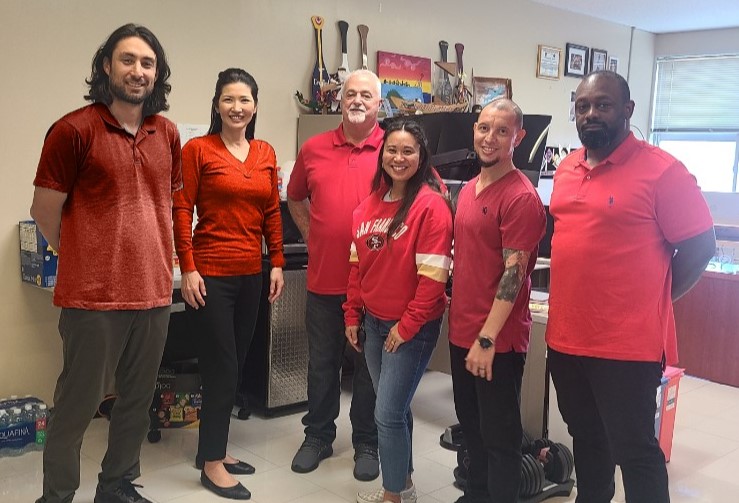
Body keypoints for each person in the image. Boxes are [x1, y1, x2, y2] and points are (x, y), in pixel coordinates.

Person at [545, 70, 716, 503]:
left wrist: (654, 297)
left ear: (627, 109)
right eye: (582, 106)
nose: (590, 114)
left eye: (602, 105)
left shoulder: (663, 172)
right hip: (566, 339)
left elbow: (700, 246)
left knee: (634, 449)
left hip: (626, 346)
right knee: (586, 436)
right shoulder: (566, 168)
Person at [30, 24, 181, 503]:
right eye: (127, 60)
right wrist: (86, 257)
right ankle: (57, 496)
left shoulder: (166, 132)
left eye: (148, 63)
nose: (138, 71)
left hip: (154, 293)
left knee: (136, 402)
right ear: (106, 66)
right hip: (93, 299)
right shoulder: (73, 130)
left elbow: (169, 203)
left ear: (157, 74)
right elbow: (44, 211)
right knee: (77, 407)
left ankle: (116, 486)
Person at [173, 68, 285, 500]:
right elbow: (181, 208)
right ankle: (212, 464)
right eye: (228, 99)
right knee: (221, 367)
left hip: (250, 274)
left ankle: (213, 449)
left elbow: (272, 212)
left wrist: (276, 262)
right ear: (217, 105)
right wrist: (188, 268)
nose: (237, 108)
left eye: (244, 100)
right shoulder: (198, 150)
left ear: (254, 106)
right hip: (210, 276)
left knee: (235, 364)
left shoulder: (265, 152)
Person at [344, 118, 453, 503]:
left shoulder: (431, 206)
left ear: (421, 157)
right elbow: (357, 266)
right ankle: (403, 485)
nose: (399, 157)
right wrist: (352, 314)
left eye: (408, 151)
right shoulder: (367, 207)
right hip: (374, 323)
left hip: (412, 328)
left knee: (386, 413)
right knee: (396, 407)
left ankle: (393, 496)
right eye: (392, 149)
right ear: (382, 154)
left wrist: (405, 327)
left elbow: (433, 278)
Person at [448, 98, 546, 503]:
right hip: (461, 333)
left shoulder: (521, 198)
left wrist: (486, 339)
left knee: (499, 439)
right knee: (471, 431)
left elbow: (514, 274)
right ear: (475, 130)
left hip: (496, 342)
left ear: (518, 138)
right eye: (485, 128)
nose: (490, 138)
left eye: (502, 131)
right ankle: (476, 495)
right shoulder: (469, 190)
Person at [287, 69, 381, 480]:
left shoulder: (396, 149)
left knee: (369, 369)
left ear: (379, 104)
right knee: (322, 365)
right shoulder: (314, 148)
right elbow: (294, 197)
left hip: (376, 287)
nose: (357, 100)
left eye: (366, 95)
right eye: (350, 94)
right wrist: (313, 235)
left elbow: (425, 200)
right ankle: (318, 436)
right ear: (340, 101)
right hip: (325, 281)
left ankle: (367, 441)